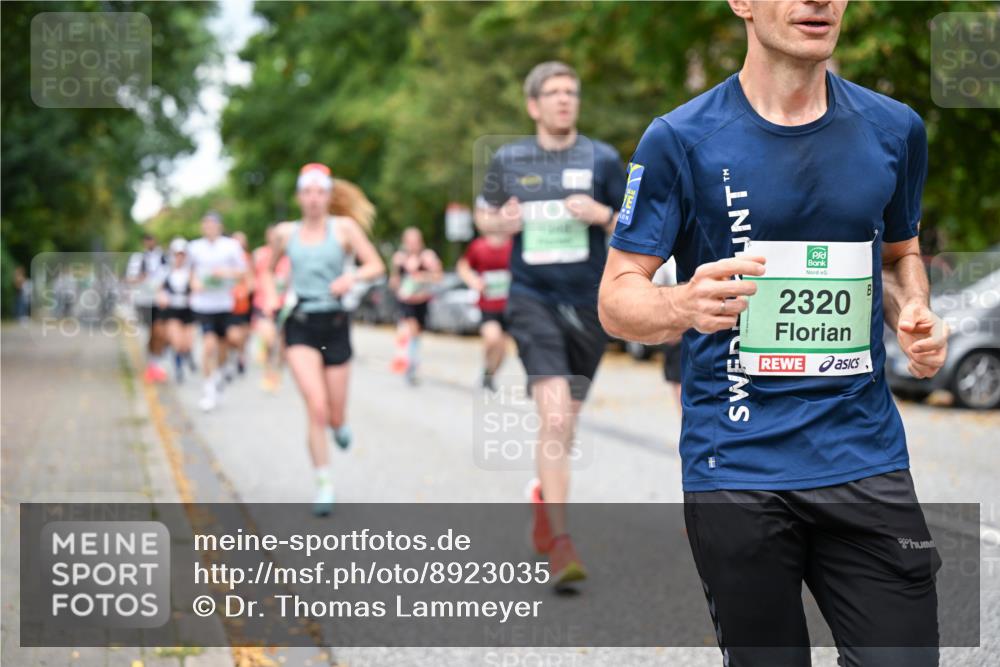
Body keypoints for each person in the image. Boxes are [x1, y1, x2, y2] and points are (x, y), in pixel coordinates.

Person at [598, 2, 948, 665]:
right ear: (742, 2)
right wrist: (680, 304)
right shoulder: (680, 139)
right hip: (737, 465)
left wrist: (915, 308)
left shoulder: (894, 129)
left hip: (863, 457)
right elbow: (617, 299)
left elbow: (900, 252)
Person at [476, 61, 627, 588]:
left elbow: (634, 222)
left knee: (565, 424)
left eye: (572, 92)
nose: (565, 100)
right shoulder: (510, 158)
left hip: (588, 303)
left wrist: (602, 216)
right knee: (556, 417)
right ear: (534, 106)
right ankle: (562, 544)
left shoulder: (603, 159)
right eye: (554, 93)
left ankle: (545, 494)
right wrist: (501, 222)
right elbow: (485, 215)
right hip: (531, 297)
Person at [266, 163, 385, 516]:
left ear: (329, 196)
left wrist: (353, 278)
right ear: (299, 196)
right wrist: (275, 292)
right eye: (308, 192)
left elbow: (377, 266)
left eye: (321, 192)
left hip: (335, 324)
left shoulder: (344, 228)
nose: (314, 199)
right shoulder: (285, 234)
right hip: (300, 325)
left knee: (333, 413)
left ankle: (340, 424)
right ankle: (323, 482)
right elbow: (270, 268)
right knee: (315, 406)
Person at [188, 213, 249, 412]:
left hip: (224, 304)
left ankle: (220, 373)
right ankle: (208, 389)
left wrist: (225, 273)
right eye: (206, 224)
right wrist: (194, 282)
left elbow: (243, 272)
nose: (209, 228)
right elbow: (189, 272)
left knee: (229, 341)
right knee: (208, 346)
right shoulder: (194, 247)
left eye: (213, 224)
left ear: (220, 226)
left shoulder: (230, 246)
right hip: (204, 305)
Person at [456, 223, 513, 391]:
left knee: (503, 347)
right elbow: (463, 266)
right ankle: (487, 367)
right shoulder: (479, 246)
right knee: (491, 338)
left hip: (509, 303)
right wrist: (473, 282)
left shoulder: (514, 245)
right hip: (488, 303)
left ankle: (490, 375)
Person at [388, 227, 442, 385]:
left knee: (416, 333)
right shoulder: (399, 258)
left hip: (422, 300)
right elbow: (394, 280)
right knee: (410, 329)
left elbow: (438, 276)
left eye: (415, 241)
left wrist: (422, 277)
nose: (412, 245)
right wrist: (397, 284)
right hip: (406, 301)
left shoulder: (428, 257)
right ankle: (410, 365)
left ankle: (412, 360)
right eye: (409, 241)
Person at [252, 225, 292, 392]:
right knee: (269, 340)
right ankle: (268, 373)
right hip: (263, 304)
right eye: (272, 236)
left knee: (282, 344)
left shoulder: (289, 257)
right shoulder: (260, 254)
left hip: (285, 306)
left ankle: (278, 372)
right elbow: (253, 276)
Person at [126, 233, 169, 383]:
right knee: (151, 332)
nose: (149, 242)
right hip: (144, 301)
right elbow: (130, 279)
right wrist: (141, 278)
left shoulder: (163, 257)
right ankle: (153, 364)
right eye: (147, 240)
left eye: (152, 239)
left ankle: (155, 363)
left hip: (159, 301)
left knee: (159, 332)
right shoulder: (137, 259)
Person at [156, 238, 197, 383]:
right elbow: (159, 290)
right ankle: (179, 368)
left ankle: (188, 355)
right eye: (177, 254)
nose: (179, 257)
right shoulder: (166, 272)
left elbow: (197, 288)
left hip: (188, 310)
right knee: (177, 342)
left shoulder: (190, 272)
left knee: (187, 343)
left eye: (182, 254)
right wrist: (162, 297)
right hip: (173, 310)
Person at [226, 230, 254, 381]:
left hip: (244, 303)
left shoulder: (247, 258)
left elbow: (251, 279)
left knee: (243, 334)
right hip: (229, 304)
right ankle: (230, 359)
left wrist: (245, 290)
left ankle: (240, 356)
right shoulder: (225, 258)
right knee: (231, 335)